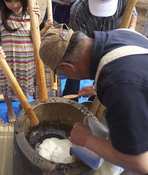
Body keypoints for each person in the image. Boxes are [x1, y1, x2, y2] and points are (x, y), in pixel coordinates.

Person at [39, 24, 148, 174]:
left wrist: (86, 140)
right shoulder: (121, 33)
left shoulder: (118, 86)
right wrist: (97, 87)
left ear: (67, 67)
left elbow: (140, 163)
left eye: (60, 74)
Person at [63, 0, 138, 99]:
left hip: (115, 44)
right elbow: (82, 50)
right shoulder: (78, 9)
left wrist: (130, 30)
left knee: (103, 92)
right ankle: (70, 102)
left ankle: (95, 102)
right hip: (89, 47)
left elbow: (133, 14)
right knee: (75, 70)